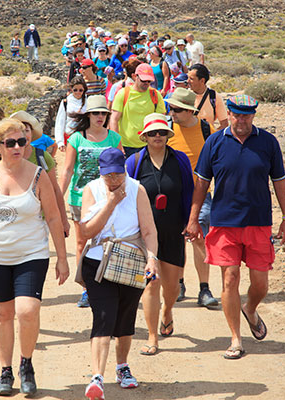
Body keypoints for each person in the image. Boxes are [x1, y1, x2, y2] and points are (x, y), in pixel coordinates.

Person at [0, 118, 69, 397]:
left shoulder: (38, 175)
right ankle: (5, 371)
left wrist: (62, 258)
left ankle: (26, 364)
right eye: (11, 143)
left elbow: (53, 216)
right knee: (2, 313)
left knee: (27, 310)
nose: (18, 147)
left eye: (22, 141)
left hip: (30, 254)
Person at [184, 94, 285, 359]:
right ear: (229, 114)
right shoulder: (214, 142)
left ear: (253, 115)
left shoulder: (268, 142)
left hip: (258, 222)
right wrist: (193, 219)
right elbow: (202, 183)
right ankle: (236, 339)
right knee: (230, 279)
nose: (241, 120)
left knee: (260, 285)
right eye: (236, 115)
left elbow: (279, 180)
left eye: (246, 115)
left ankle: (250, 309)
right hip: (224, 222)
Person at [80, 147, 159, 400]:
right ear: (100, 172)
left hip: (132, 261)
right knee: (103, 316)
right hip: (98, 262)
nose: (113, 179)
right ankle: (97, 377)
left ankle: (122, 366)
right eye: (108, 175)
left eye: (117, 174)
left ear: (124, 170)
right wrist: (111, 202)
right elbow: (87, 231)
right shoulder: (92, 189)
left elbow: (149, 230)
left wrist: (152, 258)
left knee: (126, 316)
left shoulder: (137, 189)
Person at [125, 113, 194, 355]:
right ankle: (152, 337)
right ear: (144, 136)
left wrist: (190, 222)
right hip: (145, 235)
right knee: (151, 284)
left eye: (162, 132)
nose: (157, 136)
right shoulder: (134, 163)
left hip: (174, 230)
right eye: (152, 133)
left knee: (172, 287)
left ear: (167, 135)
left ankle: (167, 310)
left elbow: (189, 192)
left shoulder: (180, 160)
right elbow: (126, 197)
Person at [59, 95, 123, 308]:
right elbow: (68, 170)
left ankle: (109, 284)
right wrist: (59, 197)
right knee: (82, 243)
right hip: (80, 199)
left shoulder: (114, 138)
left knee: (110, 241)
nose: (100, 117)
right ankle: (86, 288)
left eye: (104, 113)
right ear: (88, 115)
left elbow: (121, 170)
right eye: (96, 113)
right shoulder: (76, 139)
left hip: (108, 199)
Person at [165, 88, 218, 306]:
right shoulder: (166, 129)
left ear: (189, 111)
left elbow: (217, 161)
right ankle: (179, 284)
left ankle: (204, 289)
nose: (172, 113)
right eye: (170, 108)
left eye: (176, 110)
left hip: (200, 195)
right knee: (177, 240)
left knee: (199, 239)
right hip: (173, 195)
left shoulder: (207, 130)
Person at [10, 111, 71, 238]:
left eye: (26, 130)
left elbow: (55, 189)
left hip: (39, 220)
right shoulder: (5, 157)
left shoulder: (42, 157)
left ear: (32, 133)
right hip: (12, 220)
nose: (23, 135)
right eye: (19, 130)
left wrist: (64, 220)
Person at [110, 63, 166, 157]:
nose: (146, 83)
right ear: (135, 76)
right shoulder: (123, 93)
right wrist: (117, 144)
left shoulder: (155, 95)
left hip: (149, 145)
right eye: (143, 80)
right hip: (126, 146)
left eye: (149, 81)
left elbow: (161, 120)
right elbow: (114, 120)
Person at [188, 64, 229, 130]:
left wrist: (212, 135)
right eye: (188, 78)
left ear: (202, 81)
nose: (188, 81)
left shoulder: (214, 97)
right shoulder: (185, 95)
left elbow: (224, 124)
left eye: (191, 79)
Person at [54, 76, 87, 151]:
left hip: (85, 138)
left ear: (84, 90)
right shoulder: (66, 102)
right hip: (70, 136)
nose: (78, 92)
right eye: (75, 90)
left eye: (80, 90)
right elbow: (60, 122)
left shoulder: (88, 101)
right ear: (71, 89)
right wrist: (60, 142)